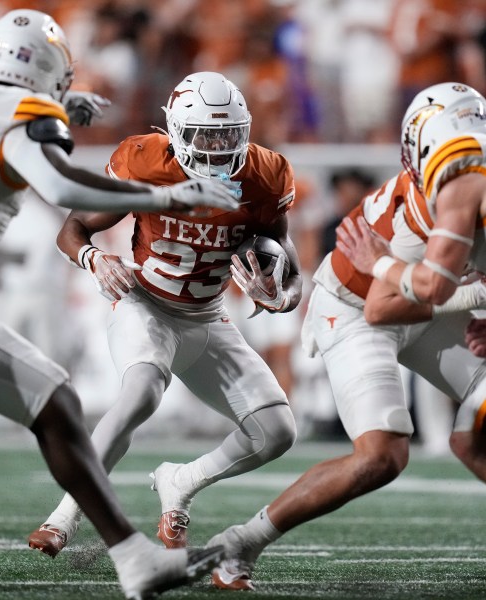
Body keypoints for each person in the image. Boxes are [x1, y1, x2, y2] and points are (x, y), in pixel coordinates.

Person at [0, 9, 242, 599]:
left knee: (54, 401)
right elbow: (62, 188)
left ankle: (135, 559)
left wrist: (42, 121)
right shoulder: (20, 117)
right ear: (48, 70)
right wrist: (168, 194)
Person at [203, 82, 486, 591]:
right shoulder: (424, 214)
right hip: (359, 308)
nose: (466, 171)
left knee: (476, 433)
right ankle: (242, 540)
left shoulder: (463, 183)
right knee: (382, 456)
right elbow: (384, 306)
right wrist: (469, 296)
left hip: (424, 297)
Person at [27, 71, 301, 558]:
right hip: (146, 303)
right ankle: (65, 514)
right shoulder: (143, 160)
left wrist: (276, 294)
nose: (217, 146)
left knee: (279, 431)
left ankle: (181, 481)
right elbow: (72, 230)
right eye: (204, 134)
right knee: (141, 395)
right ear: (174, 130)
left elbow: (290, 268)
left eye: (228, 133)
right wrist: (95, 259)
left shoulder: (265, 175)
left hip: (208, 317)